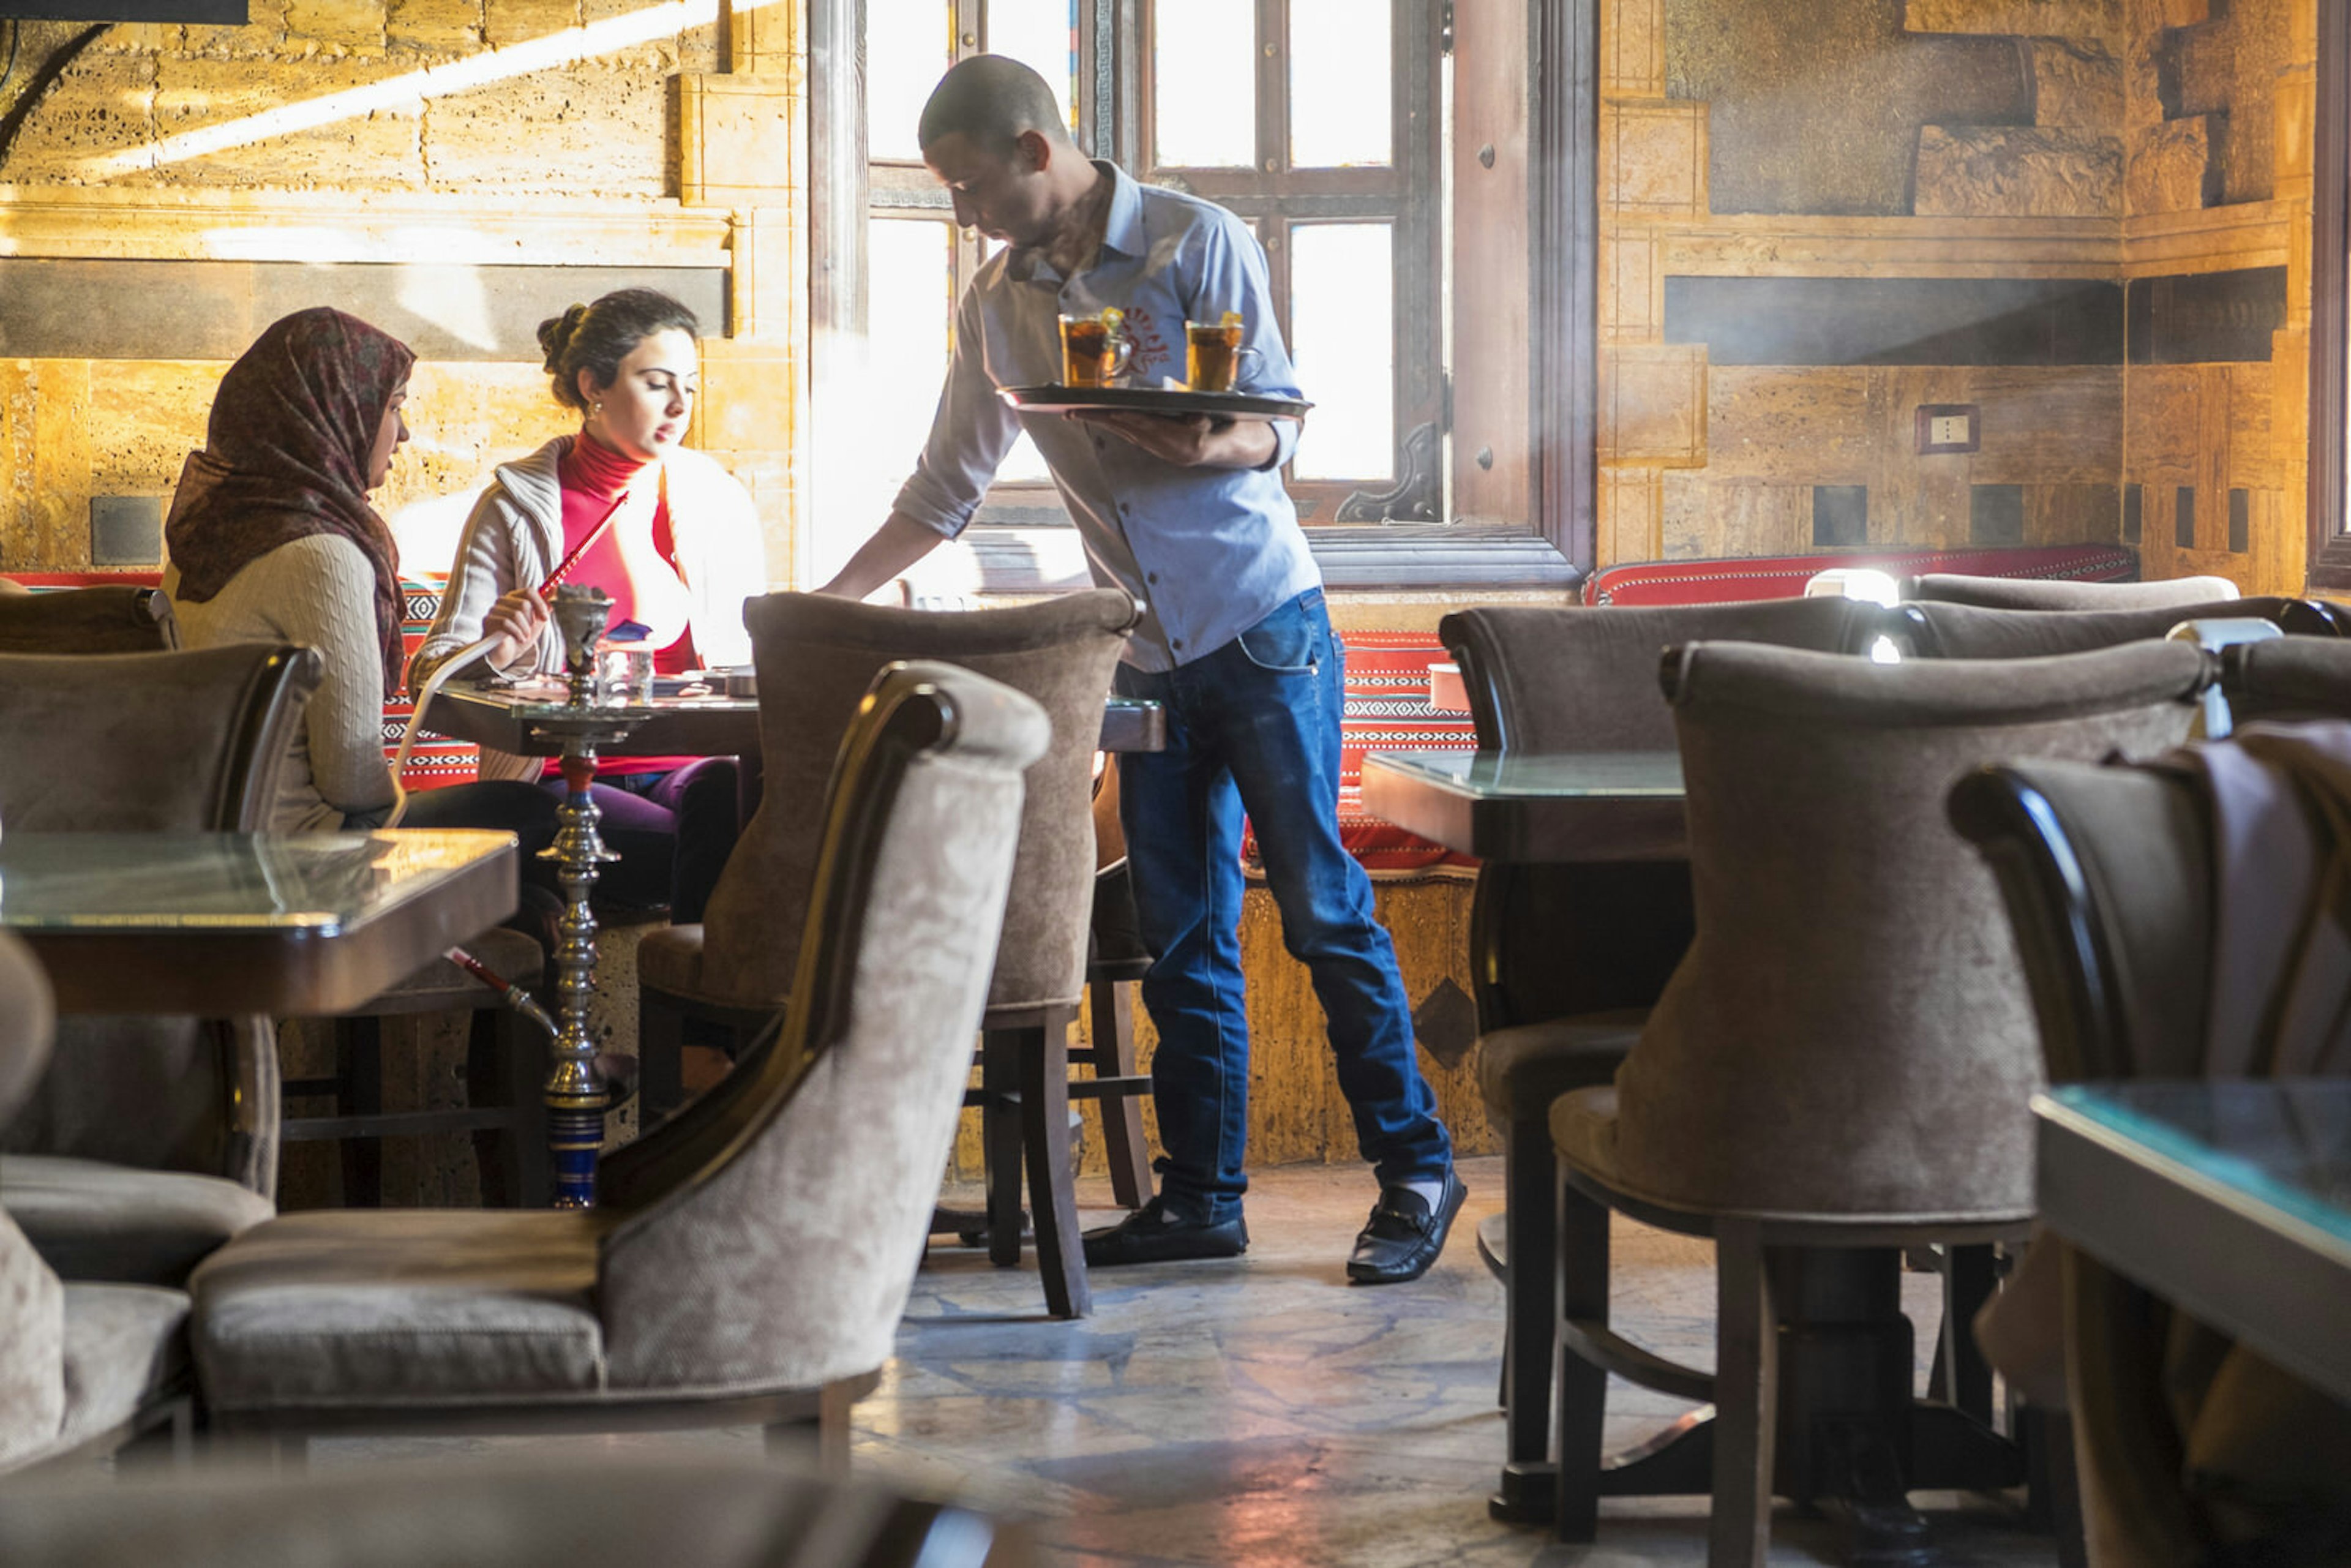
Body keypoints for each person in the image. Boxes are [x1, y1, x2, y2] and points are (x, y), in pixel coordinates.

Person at [818, 56, 1462, 1285]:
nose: (961, 215)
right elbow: (941, 494)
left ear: (1029, 148)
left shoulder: (1192, 241)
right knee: (1181, 940)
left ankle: (1416, 1169)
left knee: (1324, 912)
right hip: (1146, 652)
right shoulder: (998, 306)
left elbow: (1270, 426)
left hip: (1264, 627)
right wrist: (818, 604)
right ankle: (1201, 1196)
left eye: (967, 186)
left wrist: (1196, 433)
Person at [408, 288, 767, 923]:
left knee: (724, 792)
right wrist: (498, 653)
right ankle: (696, 1014)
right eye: (656, 383)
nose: (680, 405)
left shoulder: (718, 502)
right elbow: (429, 674)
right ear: (593, 384)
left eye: (689, 384)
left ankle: (698, 1014)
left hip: (684, 771)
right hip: (561, 772)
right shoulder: (516, 507)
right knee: (711, 844)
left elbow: (748, 660)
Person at [164, 307, 558, 859]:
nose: (404, 433)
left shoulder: (206, 530)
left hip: (202, 838)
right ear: (334, 413)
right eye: (393, 406)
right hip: (299, 853)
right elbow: (351, 779)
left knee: (530, 892)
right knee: (537, 813)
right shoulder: (325, 554)